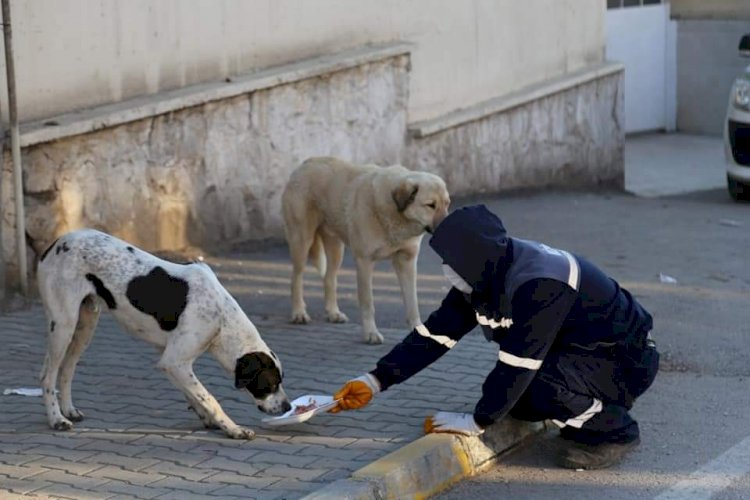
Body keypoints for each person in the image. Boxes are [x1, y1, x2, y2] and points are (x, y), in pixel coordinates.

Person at [329, 204, 659, 470]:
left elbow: (518, 363)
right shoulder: (482, 274)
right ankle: (587, 408)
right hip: (581, 355)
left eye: (450, 260)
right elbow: (434, 335)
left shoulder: (540, 283)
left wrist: (477, 420)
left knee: (539, 387)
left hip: (623, 360)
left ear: (472, 258)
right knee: (522, 402)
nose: (446, 268)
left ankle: (615, 431)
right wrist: (375, 380)